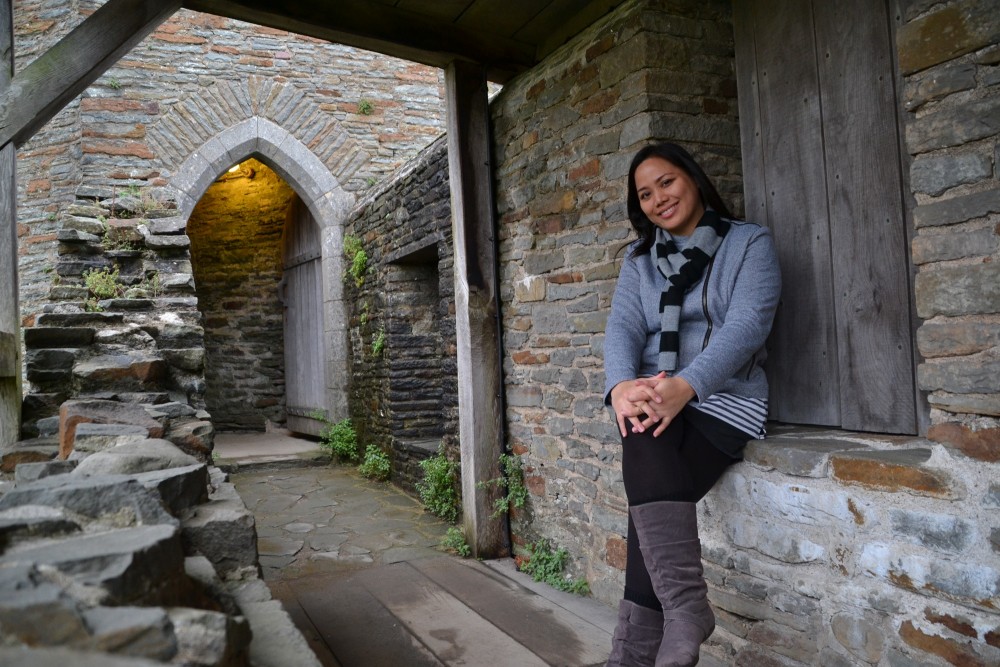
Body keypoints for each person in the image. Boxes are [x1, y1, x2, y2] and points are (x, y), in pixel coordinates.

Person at [603, 142, 781, 667]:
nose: (659, 198)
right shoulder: (640, 263)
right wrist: (619, 387)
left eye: (667, 182)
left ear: (694, 179)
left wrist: (689, 385)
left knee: (645, 463)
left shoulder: (749, 243)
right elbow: (623, 328)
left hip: (725, 401)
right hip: (658, 397)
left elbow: (748, 325)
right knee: (644, 435)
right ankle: (679, 616)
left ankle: (641, 647)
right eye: (645, 193)